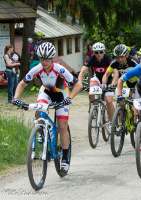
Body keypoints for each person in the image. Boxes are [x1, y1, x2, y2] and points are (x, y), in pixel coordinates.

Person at [12, 42, 82, 171]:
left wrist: (69, 98)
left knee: (62, 125)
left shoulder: (59, 69)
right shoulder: (37, 69)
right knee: (39, 109)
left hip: (61, 94)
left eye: (47, 59)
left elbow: (78, 85)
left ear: (52, 59)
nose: (44, 62)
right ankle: (40, 129)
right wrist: (16, 98)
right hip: (46, 92)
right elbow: (22, 84)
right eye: (41, 59)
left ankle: (65, 156)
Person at [78, 42, 113, 118]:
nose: (99, 54)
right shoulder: (91, 59)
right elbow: (83, 70)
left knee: (108, 100)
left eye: (101, 52)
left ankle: (111, 120)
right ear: (93, 53)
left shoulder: (108, 58)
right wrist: (80, 81)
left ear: (104, 52)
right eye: (96, 52)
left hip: (108, 80)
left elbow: (113, 69)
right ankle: (94, 107)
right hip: (96, 79)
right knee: (91, 91)